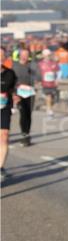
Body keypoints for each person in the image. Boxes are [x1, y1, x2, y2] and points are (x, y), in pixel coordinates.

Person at [12, 50, 38, 147]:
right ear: (19, 56)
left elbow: (37, 77)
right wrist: (14, 93)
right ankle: (24, 134)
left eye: (26, 55)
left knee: (29, 114)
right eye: (23, 55)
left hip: (30, 92)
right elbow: (11, 80)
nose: (25, 57)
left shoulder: (31, 66)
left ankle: (27, 134)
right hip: (19, 93)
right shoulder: (14, 67)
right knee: (23, 114)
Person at [0, 48, 15, 177]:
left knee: (4, 136)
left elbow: (11, 88)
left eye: (1, 56)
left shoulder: (9, 73)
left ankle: (0, 167)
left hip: (4, 108)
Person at [37, 48, 60, 116]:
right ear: (43, 56)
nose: (47, 56)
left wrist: (57, 80)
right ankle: (49, 109)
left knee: (52, 97)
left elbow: (58, 72)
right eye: (46, 55)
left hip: (52, 82)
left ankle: (48, 106)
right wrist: (39, 80)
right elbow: (38, 73)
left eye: (48, 55)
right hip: (45, 82)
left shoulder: (53, 63)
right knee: (49, 95)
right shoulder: (40, 64)